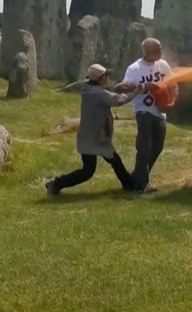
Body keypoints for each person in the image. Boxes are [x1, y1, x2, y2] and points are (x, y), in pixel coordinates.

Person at [45, 64, 140, 196]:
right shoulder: (97, 93)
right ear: (100, 79)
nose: (108, 77)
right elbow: (116, 100)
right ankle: (56, 183)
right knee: (89, 171)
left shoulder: (90, 89)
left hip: (94, 136)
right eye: (106, 76)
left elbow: (107, 93)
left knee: (111, 162)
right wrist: (136, 92)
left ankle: (128, 185)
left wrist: (119, 88)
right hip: (94, 138)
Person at [121, 38, 178, 193]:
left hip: (160, 113)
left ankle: (136, 178)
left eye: (160, 49)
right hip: (143, 110)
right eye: (157, 49)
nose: (161, 52)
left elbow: (173, 85)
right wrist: (143, 86)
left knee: (157, 147)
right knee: (144, 147)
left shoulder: (163, 65)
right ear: (147, 52)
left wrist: (171, 102)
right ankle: (142, 184)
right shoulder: (134, 68)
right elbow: (123, 88)